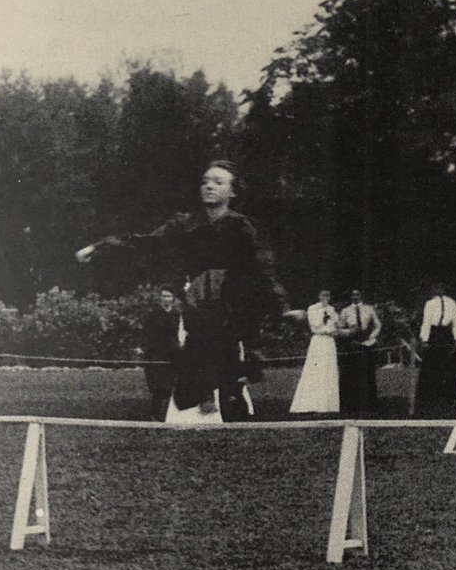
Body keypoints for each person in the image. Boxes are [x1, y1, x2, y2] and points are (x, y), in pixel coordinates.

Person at [75, 160, 304, 424]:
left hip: (237, 304)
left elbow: (265, 267)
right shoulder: (183, 224)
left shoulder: (242, 226)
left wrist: (283, 307)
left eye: (218, 182)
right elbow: (146, 242)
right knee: (198, 369)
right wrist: (101, 246)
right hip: (200, 304)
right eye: (205, 181)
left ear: (233, 191)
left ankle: (232, 388)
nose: (208, 186)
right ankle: (211, 403)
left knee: (227, 362)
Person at [413, 283, 456, 416]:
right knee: (431, 367)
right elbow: (426, 322)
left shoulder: (451, 303)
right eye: (436, 288)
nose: (438, 290)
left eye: (441, 288)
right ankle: (430, 400)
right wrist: (424, 339)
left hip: (446, 335)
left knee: (449, 366)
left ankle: (449, 399)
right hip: (434, 334)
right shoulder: (429, 303)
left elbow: (455, 321)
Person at [289, 290, 341, 414]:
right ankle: (310, 403)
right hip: (318, 341)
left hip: (329, 342)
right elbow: (314, 326)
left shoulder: (332, 309)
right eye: (323, 295)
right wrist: (325, 322)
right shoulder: (312, 309)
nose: (325, 298)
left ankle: (328, 405)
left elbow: (336, 326)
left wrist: (330, 327)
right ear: (319, 296)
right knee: (315, 369)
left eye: (328, 295)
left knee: (328, 369)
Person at [141, 286, 182, 422]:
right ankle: (155, 415)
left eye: (169, 296)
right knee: (157, 386)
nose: (166, 299)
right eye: (164, 296)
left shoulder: (177, 314)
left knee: (170, 385)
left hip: (173, 354)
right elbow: (148, 335)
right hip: (156, 354)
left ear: (173, 298)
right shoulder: (154, 314)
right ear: (160, 298)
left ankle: (168, 415)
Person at [338, 289, 382, 414]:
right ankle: (351, 404)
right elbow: (340, 328)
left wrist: (372, 337)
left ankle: (370, 404)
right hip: (352, 345)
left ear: (361, 296)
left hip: (367, 344)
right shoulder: (345, 311)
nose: (355, 297)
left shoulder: (369, 309)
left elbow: (377, 325)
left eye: (357, 294)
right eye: (353, 295)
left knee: (368, 373)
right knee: (350, 375)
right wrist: (349, 333)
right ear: (350, 297)